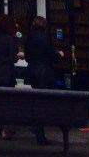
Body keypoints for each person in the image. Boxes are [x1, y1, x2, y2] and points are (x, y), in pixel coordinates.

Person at [24, 15, 65, 145]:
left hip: (33, 73)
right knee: (46, 103)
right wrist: (60, 55)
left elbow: (27, 57)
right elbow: (52, 56)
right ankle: (39, 129)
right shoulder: (45, 38)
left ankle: (39, 130)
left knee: (38, 101)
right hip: (45, 74)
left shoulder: (29, 37)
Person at [0, 13, 21, 139]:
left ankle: (0, 126)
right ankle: (6, 128)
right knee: (8, 102)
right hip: (7, 73)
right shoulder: (9, 39)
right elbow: (13, 58)